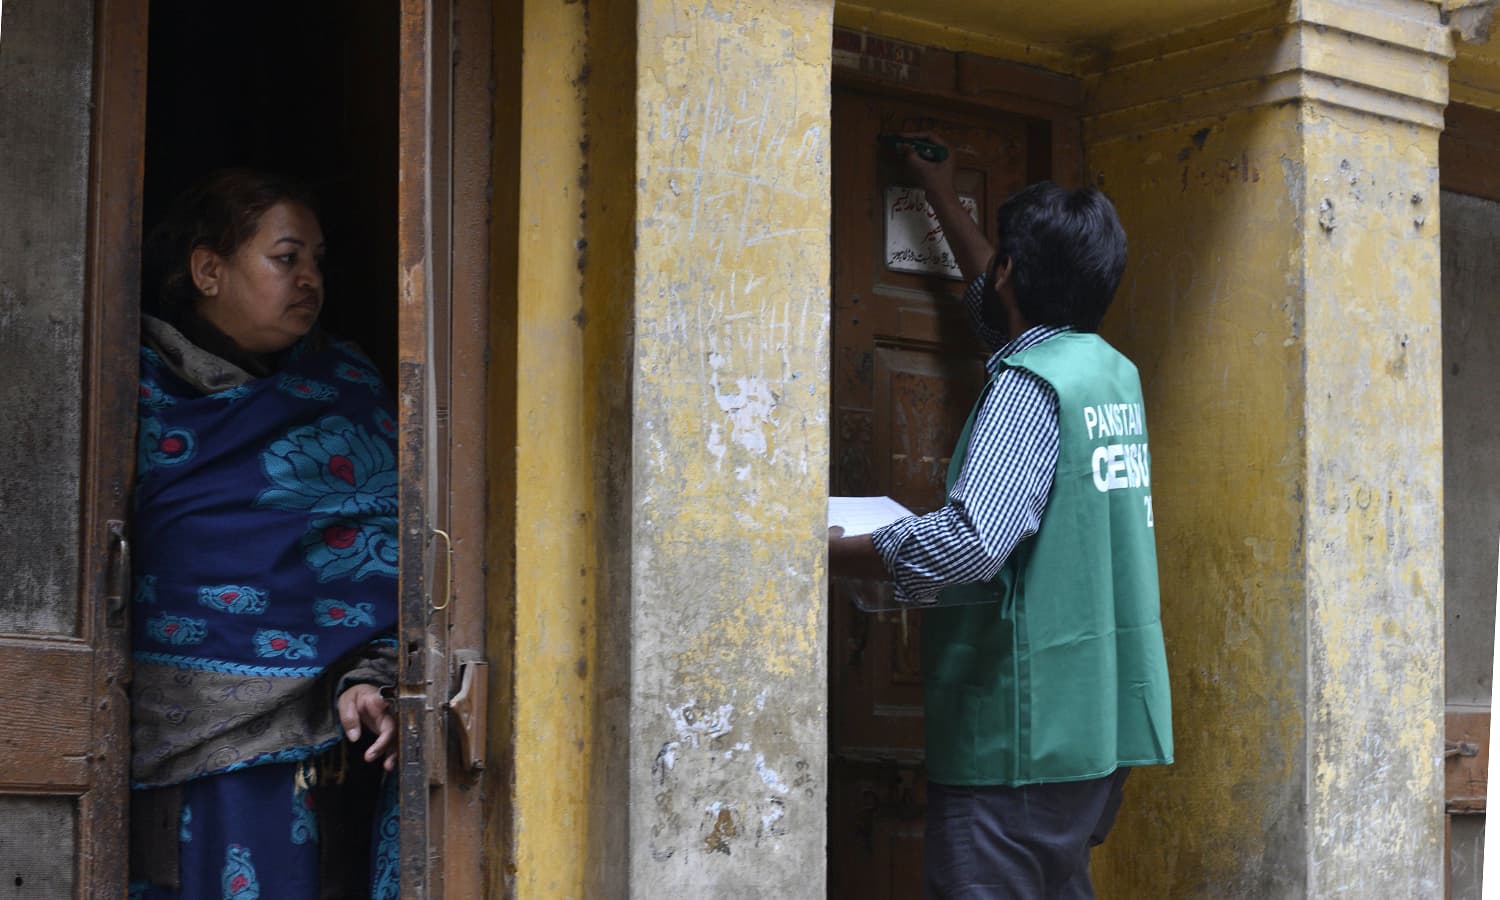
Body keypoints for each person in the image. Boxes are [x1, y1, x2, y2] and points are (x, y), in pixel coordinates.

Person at [828, 136, 1173, 899]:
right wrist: (943, 194)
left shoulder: (1029, 385)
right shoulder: (1107, 373)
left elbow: (973, 543)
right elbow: (1002, 308)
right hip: (1094, 724)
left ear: (1013, 273)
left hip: (1022, 730)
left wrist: (830, 550)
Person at [128, 170, 401, 899]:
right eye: (287, 258)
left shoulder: (346, 389)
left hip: (322, 753)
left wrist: (370, 675)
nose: (310, 279)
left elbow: (393, 566)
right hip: (168, 743)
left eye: (318, 261)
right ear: (208, 270)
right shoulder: (128, 387)